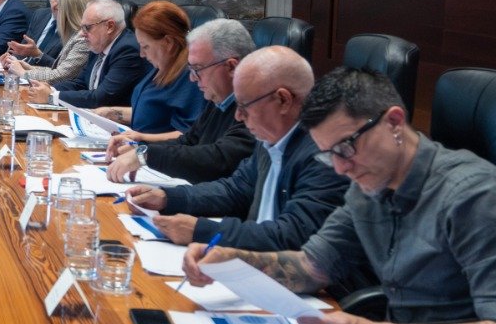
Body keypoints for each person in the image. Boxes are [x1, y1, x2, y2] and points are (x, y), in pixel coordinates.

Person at [181, 67, 496, 324]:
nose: (340, 168)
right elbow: (312, 267)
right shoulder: (369, 185)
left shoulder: (478, 197)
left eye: (346, 148)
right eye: (329, 154)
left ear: (393, 122)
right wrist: (232, 261)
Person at [123, 46, 348, 251]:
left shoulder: (325, 155)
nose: (238, 116)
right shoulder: (270, 137)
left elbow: (293, 236)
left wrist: (202, 231)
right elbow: (235, 189)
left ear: (283, 100)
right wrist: (168, 198)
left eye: (244, 106)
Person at [106, 18, 256, 184]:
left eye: (198, 69)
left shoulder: (256, 109)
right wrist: (140, 148)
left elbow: (218, 159)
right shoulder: (220, 99)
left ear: (231, 67)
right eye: (191, 70)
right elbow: (188, 141)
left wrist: (146, 156)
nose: (192, 78)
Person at [94, 0, 204, 135]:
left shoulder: (190, 77)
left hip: (158, 153)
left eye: (145, 46)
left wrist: (139, 138)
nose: (141, 54)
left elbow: (187, 135)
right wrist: (112, 113)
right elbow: (153, 112)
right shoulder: (162, 64)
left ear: (168, 42)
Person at [32, 0, 146, 109]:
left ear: (110, 26)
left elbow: (100, 98)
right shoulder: (99, 44)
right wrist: (50, 88)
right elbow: (80, 83)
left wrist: (51, 96)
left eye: (87, 27)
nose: (82, 34)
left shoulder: (127, 49)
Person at [1, 0, 92, 85]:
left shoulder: (83, 38)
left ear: (67, 11)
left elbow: (59, 76)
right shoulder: (77, 34)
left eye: (58, 8)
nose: (53, 9)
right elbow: (56, 70)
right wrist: (25, 67)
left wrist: (23, 73)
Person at [7, 0, 78, 66]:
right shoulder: (40, 14)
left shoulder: (78, 28)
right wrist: (11, 60)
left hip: (46, 78)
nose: (60, 3)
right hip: (22, 75)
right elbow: (23, 49)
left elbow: (65, 71)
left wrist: (38, 55)